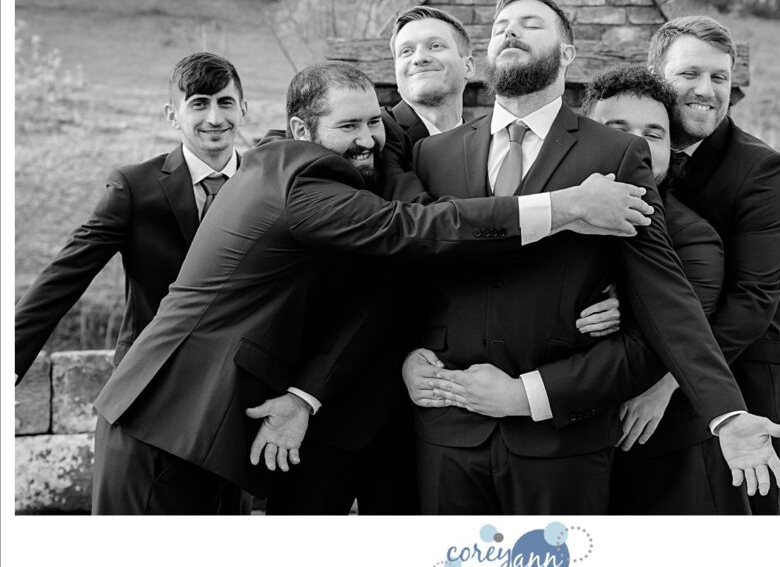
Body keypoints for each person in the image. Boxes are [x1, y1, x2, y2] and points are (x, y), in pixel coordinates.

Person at [89, 60, 653, 514]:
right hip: (168, 421)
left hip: (209, 431)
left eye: (373, 123)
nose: (368, 140)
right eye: (348, 127)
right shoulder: (302, 179)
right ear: (301, 132)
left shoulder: (320, 164)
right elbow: (416, 227)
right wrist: (567, 205)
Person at [405, 0, 780, 515]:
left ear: (567, 53)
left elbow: (664, 293)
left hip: (562, 439)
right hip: (446, 430)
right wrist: (404, 358)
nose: (511, 32)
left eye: (532, 24)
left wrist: (725, 413)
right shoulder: (434, 153)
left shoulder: (614, 152)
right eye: (501, 27)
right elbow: (405, 274)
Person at [650, 15, 780, 514]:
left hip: (747, 383)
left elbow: (754, 299)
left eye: (720, 78)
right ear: (655, 74)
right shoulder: (630, 149)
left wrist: (667, 381)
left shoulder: (762, 169)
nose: (707, 90)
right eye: (690, 74)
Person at [15, 52, 247, 383]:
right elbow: (65, 276)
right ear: (173, 115)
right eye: (198, 104)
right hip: (149, 376)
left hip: (239, 379)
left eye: (225, 103)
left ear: (243, 110)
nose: (214, 117)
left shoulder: (269, 184)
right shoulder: (134, 188)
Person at [581, 64, 750, 514]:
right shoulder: (548, 215)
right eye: (615, 129)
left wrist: (628, 305)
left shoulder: (694, 238)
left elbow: (677, 331)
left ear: (671, 149)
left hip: (665, 457)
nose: (634, 145)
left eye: (652, 134)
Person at [386, 5, 473, 140]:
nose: (420, 58)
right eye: (406, 51)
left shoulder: (488, 147)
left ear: (468, 67)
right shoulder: (377, 135)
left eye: (435, 46)